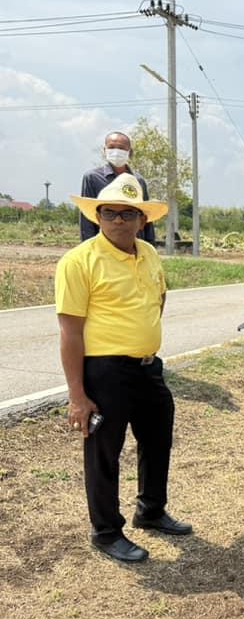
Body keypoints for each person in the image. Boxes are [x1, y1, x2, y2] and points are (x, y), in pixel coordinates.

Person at [55, 173, 192, 563]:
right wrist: (77, 396)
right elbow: (70, 333)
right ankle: (106, 531)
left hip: (148, 369)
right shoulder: (79, 261)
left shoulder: (149, 254)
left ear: (142, 220)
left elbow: (159, 299)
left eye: (127, 213)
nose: (118, 220)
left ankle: (151, 510)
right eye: (110, 212)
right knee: (104, 453)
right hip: (105, 371)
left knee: (158, 438)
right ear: (97, 217)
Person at [80, 131, 156, 244]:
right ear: (105, 151)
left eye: (121, 148)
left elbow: (146, 214)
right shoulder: (93, 178)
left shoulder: (138, 180)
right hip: (106, 243)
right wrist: (88, 247)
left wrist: (150, 244)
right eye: (111, 147)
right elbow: (87, 217)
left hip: (134, 243)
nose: (116, 151)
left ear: (130, 152)